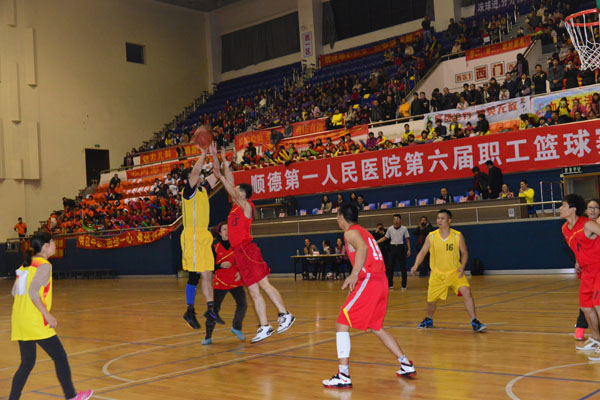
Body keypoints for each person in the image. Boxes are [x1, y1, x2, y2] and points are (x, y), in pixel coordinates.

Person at [322, 204, 416, 389]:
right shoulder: (364, 231)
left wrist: (354, 274)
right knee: (376, 327)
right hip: (380, 281)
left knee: (341, 323)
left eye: (337, 216)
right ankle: (405, 364)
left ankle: (343, 375)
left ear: (341, 217)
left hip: (369, 280)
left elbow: (363, 249)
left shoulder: (350, 233)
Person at [213, 146, 295, 343]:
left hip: (248, 250)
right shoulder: (235, 206)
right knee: (253, 291)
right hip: (239, 254)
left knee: (264, 284)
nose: (234, 192)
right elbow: (232, 183)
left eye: (237, 191)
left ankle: (285, 314)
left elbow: (231, 187)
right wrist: (224, 163)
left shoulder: (247, 206)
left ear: (243, 194)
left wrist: (220, 176)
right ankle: (265, 326)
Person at [10, 232, 93, 400]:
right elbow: (33, 292)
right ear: (45, 246)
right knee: (60, 356)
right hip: (35, 321)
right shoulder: (44, 265)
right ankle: (71, 396)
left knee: (27, 362)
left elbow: (14, 292)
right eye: (53, 242)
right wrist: (47, 315)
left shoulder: (26, 264)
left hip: (20, 319)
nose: (56, 245)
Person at [410, 209, 487, 332]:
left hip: (454, 273)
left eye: (442, 218)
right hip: (437, 274)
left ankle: (474, 321)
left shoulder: (457, 235)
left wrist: (462, 267)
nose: (439, 220)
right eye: (438, 218)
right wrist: (415, 265)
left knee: (466, 291)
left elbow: (464, 253)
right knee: (431, 301)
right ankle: (429, 319)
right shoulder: (431, 236)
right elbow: (423, 252)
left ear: (449, 221)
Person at [181, 142, 224, 331]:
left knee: (207, 273)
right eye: (195, 175)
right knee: (196, 274)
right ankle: (190, 310)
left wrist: (214, 155)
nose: (199, 176)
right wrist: (204, 153)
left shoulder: (203, 189)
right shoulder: (188, 192)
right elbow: (195, 173)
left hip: (204, 236)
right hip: (192, 236)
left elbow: (217, 174)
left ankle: (210, 309)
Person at [560, 194, 600, 361]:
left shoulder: (588, 224)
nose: (560, 209)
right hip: (586, 271)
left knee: (598, 305)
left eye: (563, 206)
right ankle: (596, 339)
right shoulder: (564, 228)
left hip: (599, 268)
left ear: (573, 209)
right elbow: (577, 246)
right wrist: (578, 260)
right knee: (586, 307)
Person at [202, 222, 247, 345]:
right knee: (214, 309)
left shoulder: (236, 246)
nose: (227, 231)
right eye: (224, 229)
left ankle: (236, 327)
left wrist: (240, 272)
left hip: (235, 281)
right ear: (220, 233)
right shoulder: (214, 248)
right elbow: (209, 267)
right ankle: (208, 336)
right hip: (220, 282)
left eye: (229, 229)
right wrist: (220, 265)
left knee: (242, 304)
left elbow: (243, 262)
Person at [574, 199, 600, 341]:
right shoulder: (582, 226)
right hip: (589, 270)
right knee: (587, 302)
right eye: (590, 207)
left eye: (596, 207)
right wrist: (577, 260)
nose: (592, 210)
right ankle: (582, 327)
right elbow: (579, 246)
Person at [377, 214, 411, 290]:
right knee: (390, 267)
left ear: (400, 220)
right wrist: (376, 242)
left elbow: (407, 239)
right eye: (395, 219)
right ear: (393, 220)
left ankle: (404, 285)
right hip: (392, 248)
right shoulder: (390, 229)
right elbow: (385, 237)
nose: (396, 221)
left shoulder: (404, 228)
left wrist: (409, 249)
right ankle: (390, 284)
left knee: (403, 267)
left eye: (397, 219)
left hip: (400, 247)